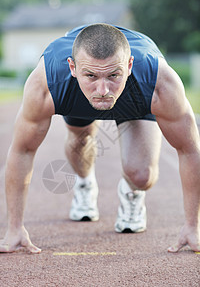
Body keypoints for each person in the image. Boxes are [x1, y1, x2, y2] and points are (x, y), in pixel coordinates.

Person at [0, 24, 199, 254]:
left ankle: (131, 191)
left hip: (134, 96)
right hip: (76, 95)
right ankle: (85, 183)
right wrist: (14, 228)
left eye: (113, 75)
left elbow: (190, 149)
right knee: (80, 143)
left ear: (129, 65)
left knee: (142, 175)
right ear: (72, 67)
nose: (103, 89)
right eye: (91, 76)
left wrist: (193, 226)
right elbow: (22, 150)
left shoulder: (159, 83)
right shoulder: (47, 83)